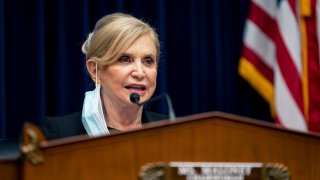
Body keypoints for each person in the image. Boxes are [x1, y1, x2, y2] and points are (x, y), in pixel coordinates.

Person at [40, 12, 168, 140]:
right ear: (95, 71)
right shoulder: (60, 133)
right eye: (125, 59)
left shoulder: (171, 130)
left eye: (148, 61)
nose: (140, 73)